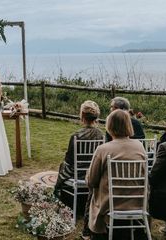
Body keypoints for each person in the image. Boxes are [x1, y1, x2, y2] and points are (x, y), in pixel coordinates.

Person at [86, 109, 147, 239]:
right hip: (137, 202)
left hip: (110, 204)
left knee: (94, 192)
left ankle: (93, 231)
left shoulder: (103, 149)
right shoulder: (140, 147)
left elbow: (91, 181)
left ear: (109, 126)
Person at [54, 100, 103, 237]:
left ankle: (64, 202)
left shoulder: (76, 136)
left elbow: (69, 160)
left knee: (62, 167)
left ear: (82, 116)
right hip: (93, 174)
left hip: (77, 174)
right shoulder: (101, 135)